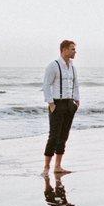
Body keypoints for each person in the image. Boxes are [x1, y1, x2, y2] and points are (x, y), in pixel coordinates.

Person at [42, 40, 80, 175]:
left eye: (74, 49)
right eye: (72, 49)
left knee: (64, 136)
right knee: (54, 136)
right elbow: (46, 85)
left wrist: (77, 100)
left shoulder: (73, 67)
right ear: (64, 50)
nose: (75, 51)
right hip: (57, 104)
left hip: (70, 104)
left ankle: (58, 166)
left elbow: (75, 84)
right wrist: (51, 103)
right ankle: (46, 167)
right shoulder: (54, 65)